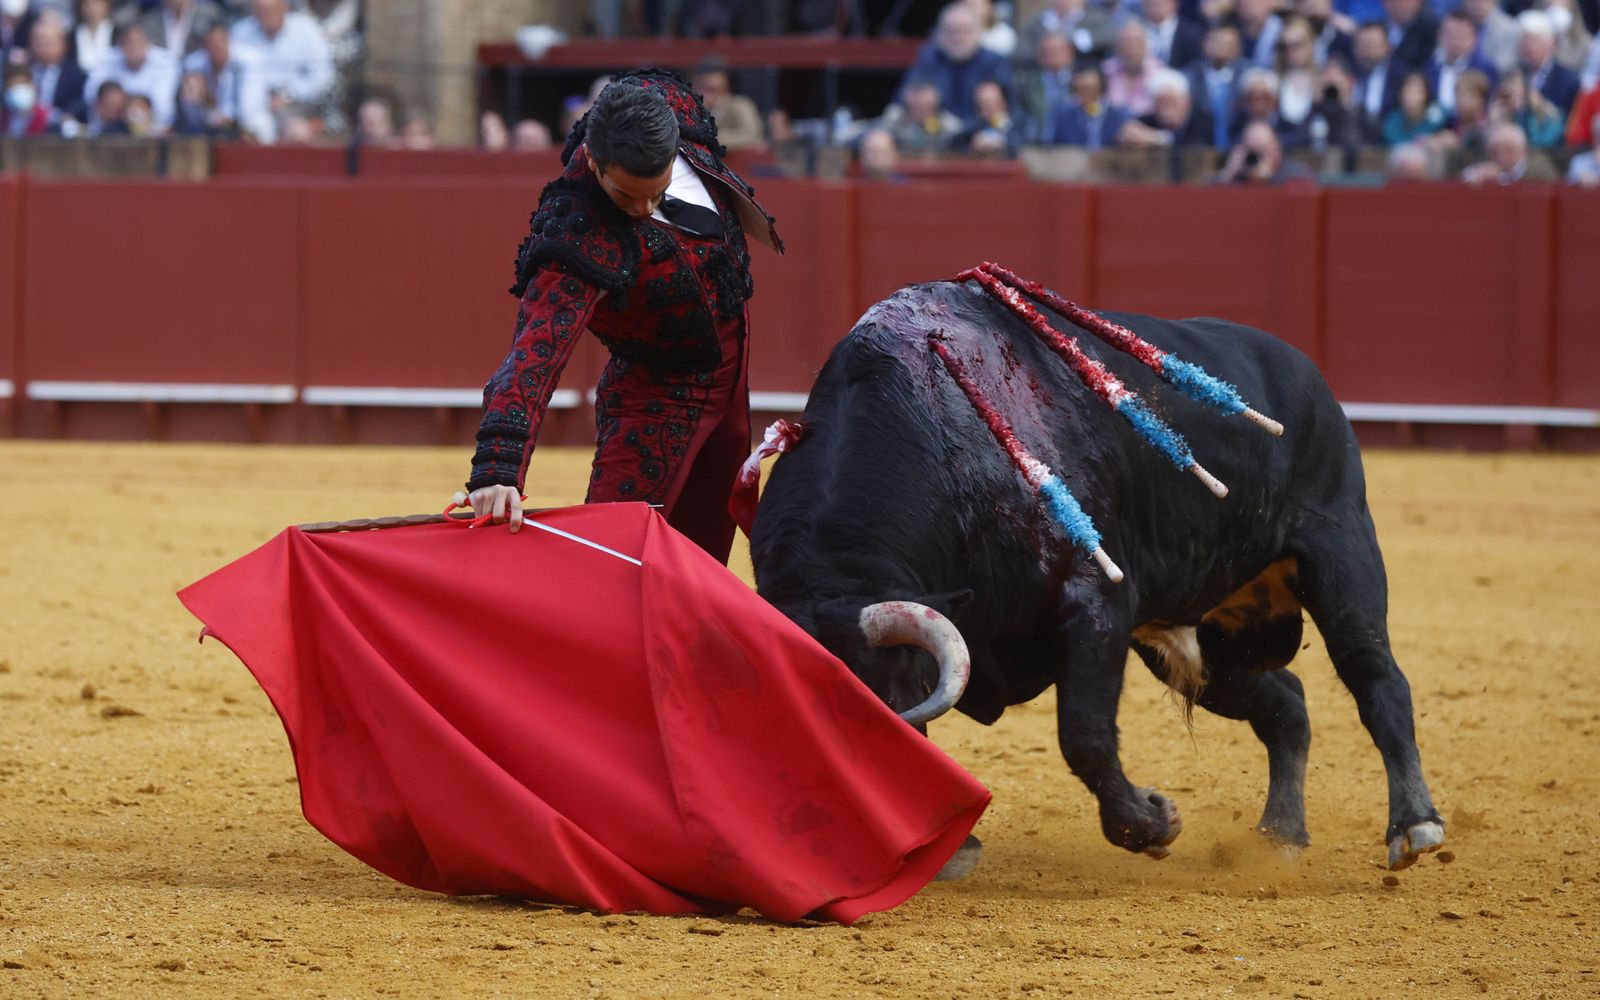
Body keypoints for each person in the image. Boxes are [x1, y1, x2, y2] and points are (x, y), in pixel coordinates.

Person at [465, 70, 784, 566]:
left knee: (701, 566)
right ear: (593, 161)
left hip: (731, 384)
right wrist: (497, 467)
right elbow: (535, 353)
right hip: (656, 402)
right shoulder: (578, 228)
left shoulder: (668, 108)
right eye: (626, 196)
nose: (643, 208)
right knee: (608, 560)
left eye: (654, 193)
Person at [899, 2, 1011, 122]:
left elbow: (1013, 110)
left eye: (964, 31)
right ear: (939, 33)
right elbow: (900, 101)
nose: (958, 38)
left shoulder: (994, 62)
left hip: (982, 131)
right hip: (936, 132)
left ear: (978, 32)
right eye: (951, 31)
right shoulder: (928, 59)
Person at [82, 22, 179, 129]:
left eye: (138, 42)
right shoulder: (107, 59)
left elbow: (163, 107)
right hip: (112, 124)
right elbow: (90, 95)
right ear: (120, 45)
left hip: (154, 129)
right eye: (128, 42)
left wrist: (128, 104)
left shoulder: (165, 62)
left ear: (148, 43)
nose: (133, 47)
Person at [690, 56, 764, 152]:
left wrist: (709, 138)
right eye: (700, 88)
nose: (703, 95)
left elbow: (752, 135)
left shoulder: (740, 105)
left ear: (725, 89)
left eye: (711, 90)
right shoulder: (690, 108)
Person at [1460, 120, 1557, 182]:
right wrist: (1477, 175)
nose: (1501, 156)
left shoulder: (1539, 168)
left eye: (1509, 150)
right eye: (1495, 151)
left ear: (1523, 149)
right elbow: (1465, 176)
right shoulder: (1490, 168)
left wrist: (1501, 179)